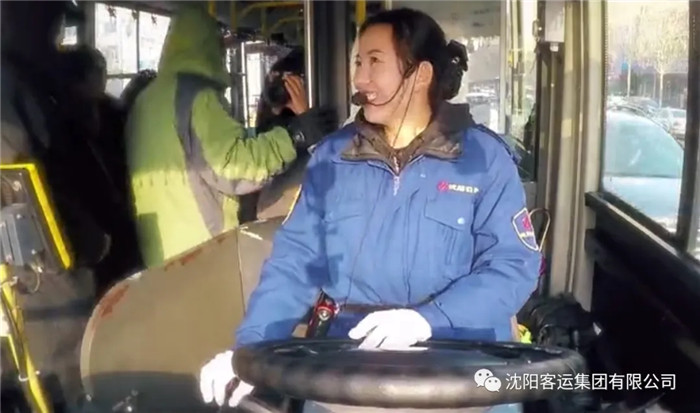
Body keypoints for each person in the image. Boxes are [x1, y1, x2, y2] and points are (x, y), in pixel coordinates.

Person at [199, 8, 541, 410]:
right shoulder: (333, 157)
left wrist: (428, 319)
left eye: (375, 62)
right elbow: (295, 264)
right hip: (353, 363)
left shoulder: (484, 159)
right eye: (358, 62)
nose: (360, 79)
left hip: (464, 367)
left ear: (420, 74)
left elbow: (512, 267)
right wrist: (249, 352)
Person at [125, 5, 337, 268]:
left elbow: (192, 154)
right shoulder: (195, 98)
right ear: (207, 46)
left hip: (162, 254)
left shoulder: (146, 100)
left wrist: (272, 125)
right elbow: (233, 167)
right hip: (203, 250)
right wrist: (295, 135)